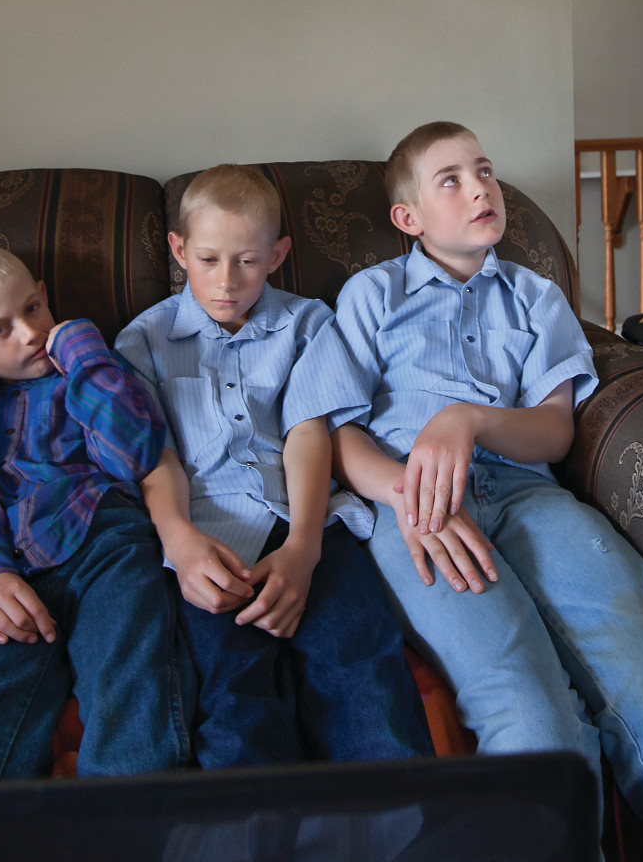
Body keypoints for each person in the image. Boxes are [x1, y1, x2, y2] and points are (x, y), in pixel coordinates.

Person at [328, 122, 643, 862]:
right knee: (534, 719)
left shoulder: (536, 297)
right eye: (452, 179)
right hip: (413, 508)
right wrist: (410, 495)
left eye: (486, 171)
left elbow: (554, 433)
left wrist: (468, 419)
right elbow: (337, 437)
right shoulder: (369, 296)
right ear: (408, 218)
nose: (480, 189)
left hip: (530, 498)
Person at [115, 164, 432, 769]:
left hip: (311, 523)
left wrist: (304, 548)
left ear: (278, 254)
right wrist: (180, 543)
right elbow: (154, 455)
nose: (227, 281)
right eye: (208, 260)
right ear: (179, 250)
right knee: (234, 700)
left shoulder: (309, 323)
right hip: (207, 538)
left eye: (248, 261)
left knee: (364, 673)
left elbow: (309, 431)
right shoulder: (142, 342)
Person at [0, 245, 190, 782]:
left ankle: (129, 828)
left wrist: (83, 354)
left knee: (130, 679)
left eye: (33, 308)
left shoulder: (94, 368)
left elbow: (134, 454)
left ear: (46, 296)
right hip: (10, 564)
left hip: (107, 540)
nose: (30, 333)